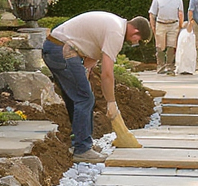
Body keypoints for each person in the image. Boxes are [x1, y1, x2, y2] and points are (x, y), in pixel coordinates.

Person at [44, 12, 149, 162]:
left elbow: (92, 56)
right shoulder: (116, 32)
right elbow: (107, 74)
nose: (135, 42)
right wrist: (111, 103)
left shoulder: (115, 24)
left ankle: (81, 143)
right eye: (138, 39)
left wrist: (84, 77)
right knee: (85, 98)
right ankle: (82, 149)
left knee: (78, 97)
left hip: (55, 48)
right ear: (136, 31)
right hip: (61, 49)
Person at [148, 0, 185, 74]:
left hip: (173, 24)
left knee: (171, 46)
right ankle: (160, 66)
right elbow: (152, 14)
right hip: (161, 24)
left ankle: (169, 66)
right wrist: (153, 26)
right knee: (160, 47)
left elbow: (180, 13)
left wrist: (180, 26)